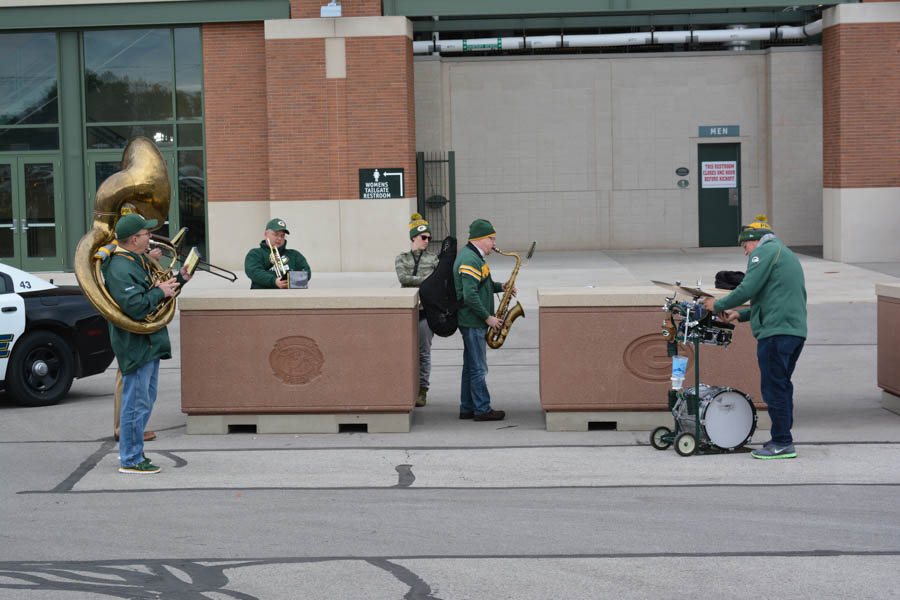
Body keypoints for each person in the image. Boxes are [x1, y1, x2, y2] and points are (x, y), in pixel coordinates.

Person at [703, 215, 807, 460]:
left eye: (745, 246)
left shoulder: (765, 252)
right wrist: (740, 315)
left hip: (776, 333)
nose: (746, 253)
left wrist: (717, 305)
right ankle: (782, 438)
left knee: (774, 388)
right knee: (782, 386)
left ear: (754, 241)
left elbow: (747, 288)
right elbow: (771, 299)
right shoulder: (784, 253)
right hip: (792, 331)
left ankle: (782, 442)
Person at [103, 213, 191, 474]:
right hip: (136, 342)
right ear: (133, 239)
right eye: (146, 234)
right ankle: (130, 459)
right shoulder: (121, 267)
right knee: (136, 402)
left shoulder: (136, 260)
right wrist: (159, 291)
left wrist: (180, 280)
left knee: (144, 400)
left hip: (148, 341)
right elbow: (136, 306)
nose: (150, 237)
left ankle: (134, 453)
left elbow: (156, 293)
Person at [452, 219, 515, 421]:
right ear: (480, 238)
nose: (494, 244)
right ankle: (482, 409)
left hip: (473, 321)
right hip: (473, 322)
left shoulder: (474, 257)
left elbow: (482, 284)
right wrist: (488, 318)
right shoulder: (470, 260)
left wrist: (501, 287)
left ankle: (467, 407)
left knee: (470, 367)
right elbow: (470, 295)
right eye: (492, 239)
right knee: (479, 367)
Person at [395, 213, 439, 407]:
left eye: (429, 238)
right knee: (404, 351)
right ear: (414, 237)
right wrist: (427, 282)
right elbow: (403, 278)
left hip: (426, 312)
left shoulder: (433, 259)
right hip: (407, 311)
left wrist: (427, 284)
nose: (427, 241)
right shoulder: (402, 258)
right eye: (423, 237)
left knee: (424, 352)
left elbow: (438, 282)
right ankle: (406, 386)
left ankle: (423, 389)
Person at [245, 218, 311, 289]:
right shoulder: (255, 254)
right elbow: (254, 272)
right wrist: (274, 281)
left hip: (289, 297)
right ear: (266, 234)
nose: (279, 238)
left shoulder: (295, 255)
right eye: (276, 234)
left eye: (282, 236)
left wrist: (289, 281)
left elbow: (306, 274)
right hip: (264, 297)